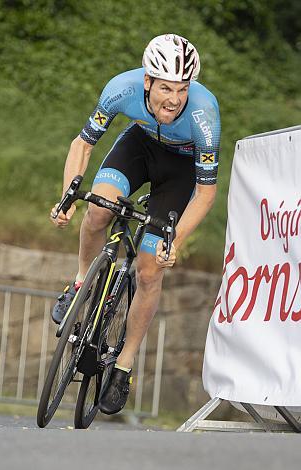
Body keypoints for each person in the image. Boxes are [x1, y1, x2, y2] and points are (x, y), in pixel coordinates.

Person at [50, 33, 221, 414]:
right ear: (147, 81)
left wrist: (173, 240)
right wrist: (67, 197)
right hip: (139, 147)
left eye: (182, 89)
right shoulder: (121, 89)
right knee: (98, 210)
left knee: (149, 271)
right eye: (165, 88)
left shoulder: (204, 114)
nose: (174, 99)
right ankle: (79, 282)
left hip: (180, 171)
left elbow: (206, 193)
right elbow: (83, 144)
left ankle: (123, 365)